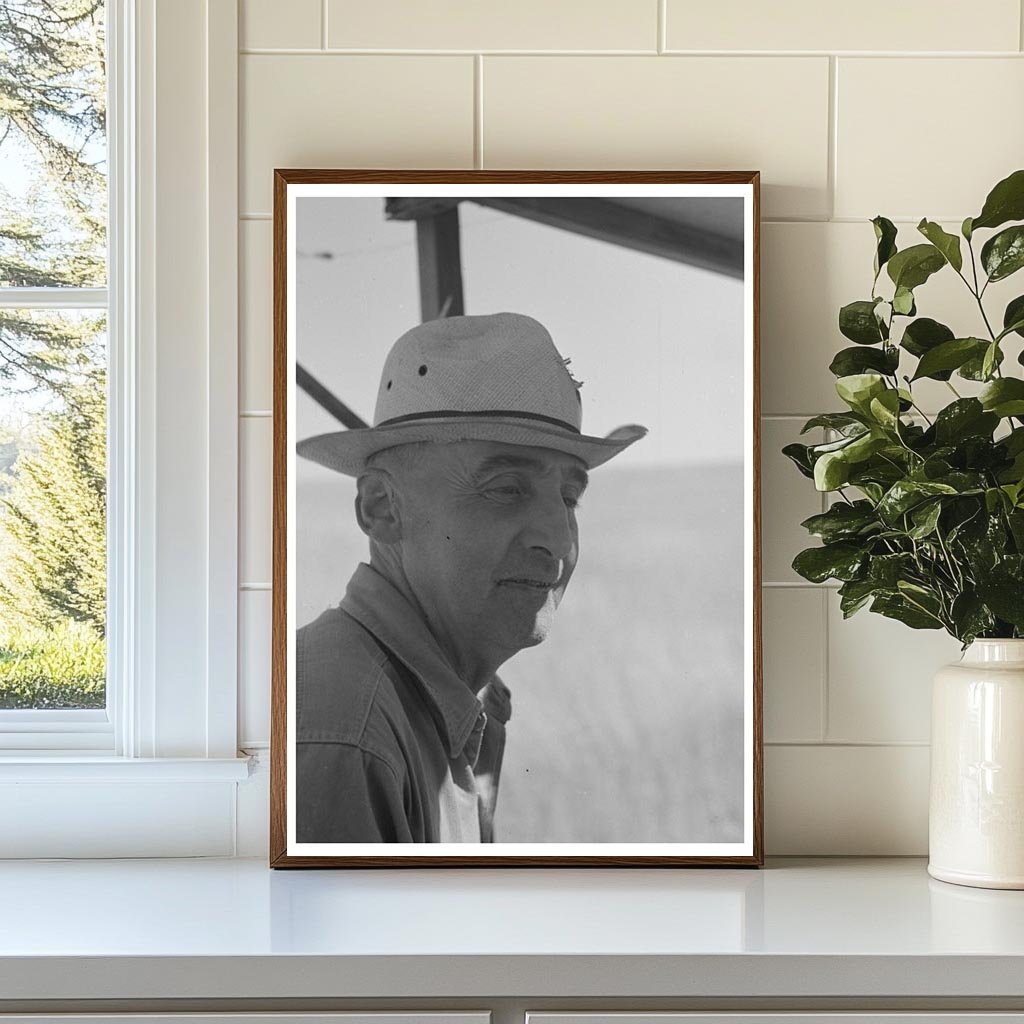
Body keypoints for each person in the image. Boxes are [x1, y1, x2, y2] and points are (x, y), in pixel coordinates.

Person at [295, 312, 646, 843]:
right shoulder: (346, 733)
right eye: (506, 489)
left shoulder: (439, 699)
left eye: (569, 497)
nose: (558, 540)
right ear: (382, 508)